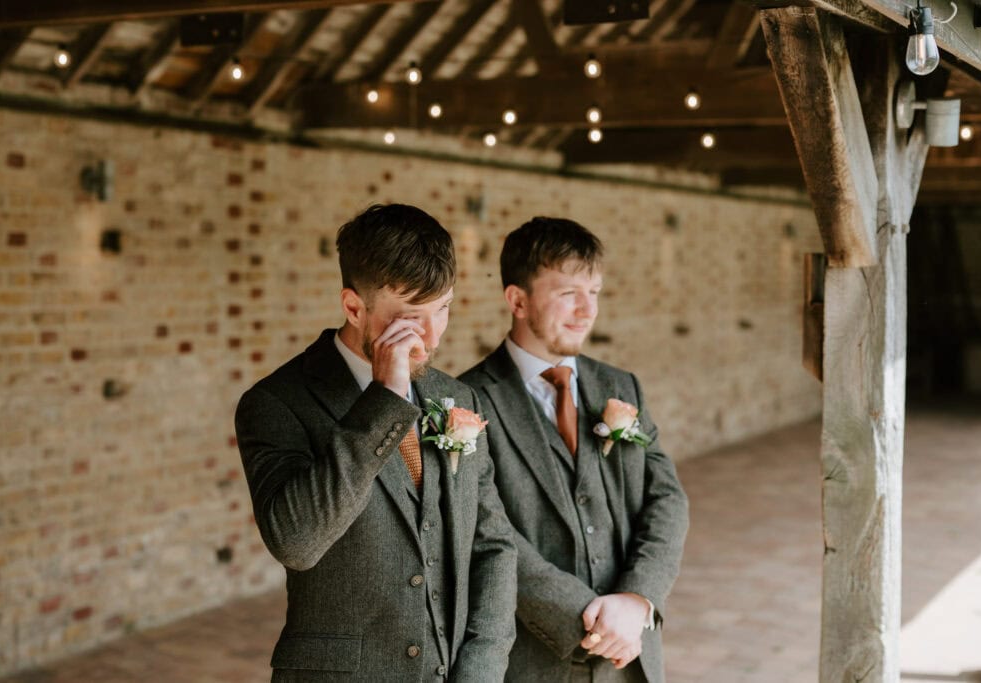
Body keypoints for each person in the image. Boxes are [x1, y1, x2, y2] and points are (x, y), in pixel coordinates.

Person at [235, 204, 517, 682]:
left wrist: (481, 672)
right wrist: (384, 399)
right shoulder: (276, 403)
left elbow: (493, 546)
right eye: (410, 319)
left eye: (443, 308)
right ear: (353, 306)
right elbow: (297, 543)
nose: (430, 337)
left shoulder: (457, 396)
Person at [459, 217, 688, 682]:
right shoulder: (468, 402)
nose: (587, 311)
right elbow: (484, 532)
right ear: (517, 300)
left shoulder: (621, 385)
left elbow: (667, 500)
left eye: (595, 292)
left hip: (630, 656)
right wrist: (588, 617)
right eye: (568, 293)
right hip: (531, 661)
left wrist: (636, 600)